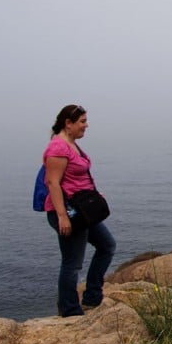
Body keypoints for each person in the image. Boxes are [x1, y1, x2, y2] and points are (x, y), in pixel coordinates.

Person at [42, 104, 116, 317]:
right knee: (72, 263)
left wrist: (94, 196)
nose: (86, 125)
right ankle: (70, 310)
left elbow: (77, 179)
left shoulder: (72, 145)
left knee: (107, 245)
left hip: (83, 211)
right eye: (82, 121)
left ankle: (92, 296)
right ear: (68, 123)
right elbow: (53, 183)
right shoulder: (58, 148)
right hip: (69, 213)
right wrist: (62, 217)